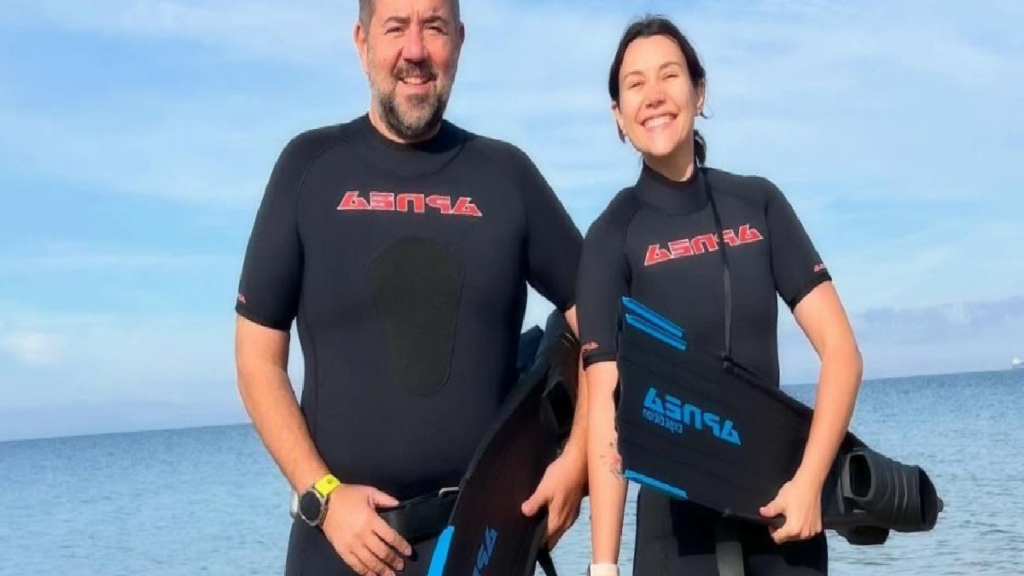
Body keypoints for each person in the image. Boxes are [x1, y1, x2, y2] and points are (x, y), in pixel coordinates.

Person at [233, 1, 589, 575]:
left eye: (434, 27)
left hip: (484, 543)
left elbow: (600, 327)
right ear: (362, 42)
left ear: (460, 41)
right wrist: (323, 496)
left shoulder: (506, 176)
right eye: (396, 27)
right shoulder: (309, 169)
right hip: (340, 547)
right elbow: (257, 361)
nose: (416, 50)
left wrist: (576, 463)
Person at [578, 15, 863, 576]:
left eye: (669, 75)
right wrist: (603, 567)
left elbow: (842, 353)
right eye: (635, 84)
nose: (654, 95)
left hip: (784, 522)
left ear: (699, 91)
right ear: (618, 116)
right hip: (672, 539)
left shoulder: (758, 205)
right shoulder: (611, 236)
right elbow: (607, 413)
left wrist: (809, 483)